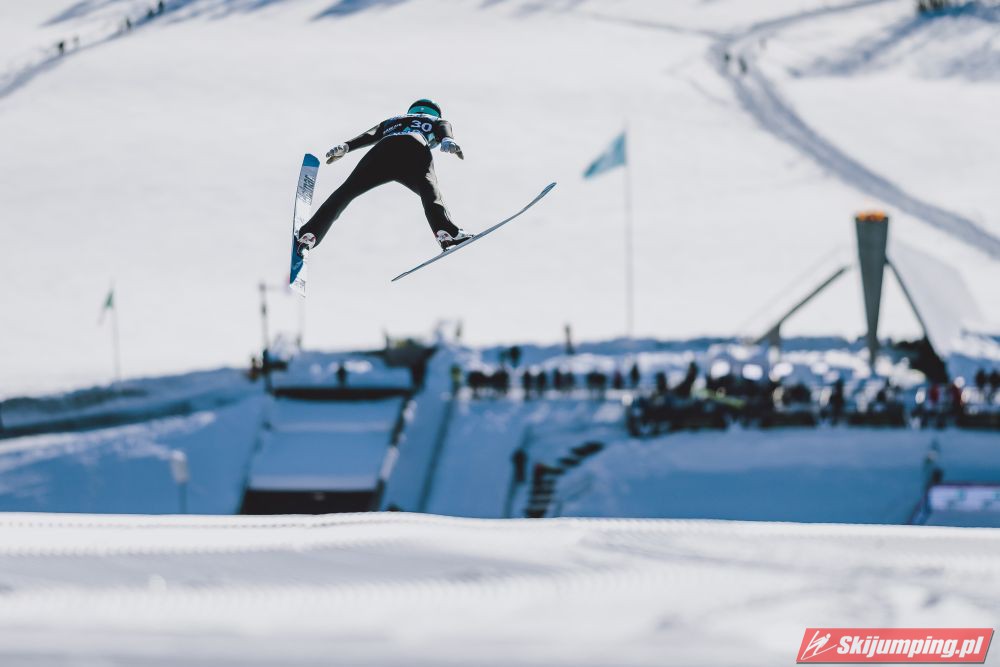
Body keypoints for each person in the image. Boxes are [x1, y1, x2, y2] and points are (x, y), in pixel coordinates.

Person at [296, 98, 470, 256]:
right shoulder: (436, 120)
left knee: (346, 191)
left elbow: (371, 135)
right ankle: (446, 233)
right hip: (414, 148)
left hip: (384, 151)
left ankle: (309, 234)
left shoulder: (394, 120)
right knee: (431, 193)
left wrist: (346, 146)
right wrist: (447, 139)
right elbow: (443, 127)